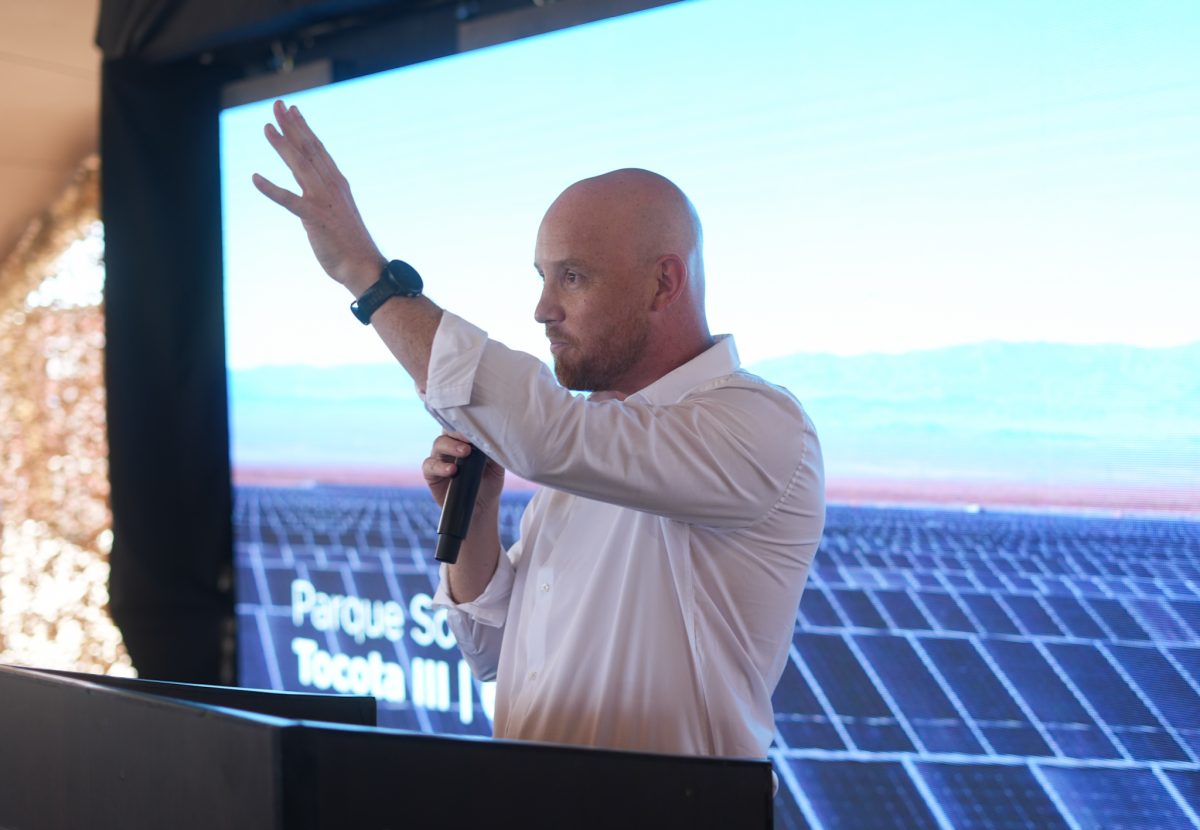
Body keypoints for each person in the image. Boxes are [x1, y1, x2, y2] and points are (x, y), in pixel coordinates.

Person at [255, 100, 825, 761]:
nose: (542, 309)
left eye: (573, 278)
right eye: (543, 278)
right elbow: (492, 651)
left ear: (663, 283)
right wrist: (477, 518)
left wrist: (368, 275)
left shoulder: (761, 426)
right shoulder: (595, 438)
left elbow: (545, 434)